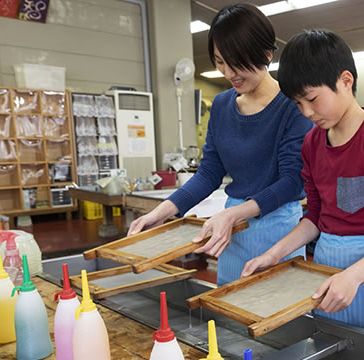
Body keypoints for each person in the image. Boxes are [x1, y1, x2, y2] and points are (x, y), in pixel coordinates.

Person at [241, 29, 364, 336]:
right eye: (298, 104)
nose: (307, 112)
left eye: (312, 99)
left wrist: (355, 275)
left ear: (345, 82)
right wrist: (275, 252)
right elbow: (316, 217)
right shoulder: (312, 144)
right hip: (326, 269)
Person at [127, 4, 313, 285]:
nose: (229, 73)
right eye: (220, 61)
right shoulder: (223, 105)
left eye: (238, 62)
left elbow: (291, 183)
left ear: (267, 54)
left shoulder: (292, 105)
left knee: (275, 319)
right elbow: (209, 173)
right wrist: (162, 212)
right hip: (233, 231)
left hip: (278, 232)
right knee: (230, 318)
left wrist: (233, 213)